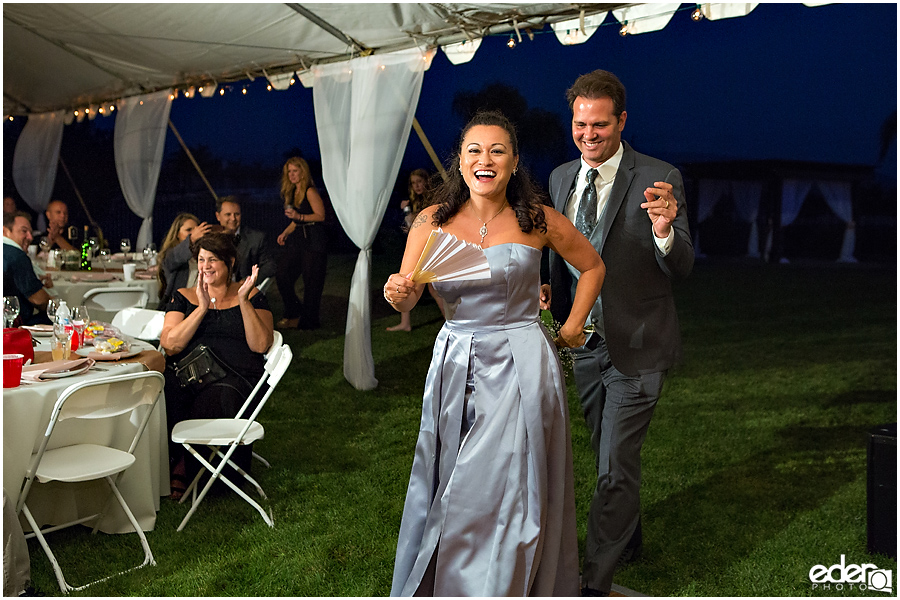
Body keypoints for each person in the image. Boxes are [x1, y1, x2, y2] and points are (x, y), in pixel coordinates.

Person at [385, 111, 605, 596]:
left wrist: (568, 330)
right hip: (455, 360)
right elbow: (409, 292)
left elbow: (592, 266)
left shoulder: (537, 219)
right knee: (454, 476)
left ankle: (505, 581)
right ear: (460, 163)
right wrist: (396, 292)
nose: (486, 160)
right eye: (475, 151)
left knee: (511, 482)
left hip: (523, 363)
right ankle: (453, 578)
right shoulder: (431, 221)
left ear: (514, 162)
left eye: (497, 151)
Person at [542, 70, 694, 597]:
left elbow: (683, 267)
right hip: (586, 346)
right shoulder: (561, 178)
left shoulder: (659, 176)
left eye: (600, 125)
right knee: (612, 457)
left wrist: (664, 231)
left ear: (622, 121)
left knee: (612, 468)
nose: (588, 134)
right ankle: (627, 539)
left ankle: (592, 583)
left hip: (640, 343)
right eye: (580, 124)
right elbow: (560, 257)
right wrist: (548, 296)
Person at [160, 232, 274, 499]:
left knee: (216, 397)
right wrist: (201, 308)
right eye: (201, 260)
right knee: (160, 389)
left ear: (230, 262)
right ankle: (176, 460)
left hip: (236, 378)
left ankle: (189, 469)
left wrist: (243, 301)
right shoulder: (184, 297)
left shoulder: (251, 294)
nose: (206, 266)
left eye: (213, 259)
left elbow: (260, 345)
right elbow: (170, 345)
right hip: (187, 375)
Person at [387, 169, 444, 332]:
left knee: (434, 288)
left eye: (419, 181)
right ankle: (405, 323)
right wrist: (406, 211)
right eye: (413, 183)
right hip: (417, 249)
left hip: (432, 248)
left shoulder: (434, 202)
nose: (417, 186)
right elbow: (407, 227)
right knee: (408, 284)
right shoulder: (412, 202)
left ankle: (450, 319)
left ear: (426, 181)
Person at [274, 157, 328, 330]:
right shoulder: (292, 192)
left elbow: (320, 215)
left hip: (314, 240)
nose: (291, 175)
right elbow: (295, 221)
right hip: (299, 240)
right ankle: (294, 311)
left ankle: (309, 321)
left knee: (311, 281)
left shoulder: (310, 191)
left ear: (302, 172)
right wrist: (285, 232)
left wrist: (300, 217)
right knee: (282, 273)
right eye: (288, 172)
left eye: (294, 171)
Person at [3, 212, 52, 325]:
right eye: (24, 231)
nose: (30, 237)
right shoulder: (16, 255)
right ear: (5, 231)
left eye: (31, 232)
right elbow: (39, 300)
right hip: (12, 324)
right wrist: (54, 303)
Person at [157, 212, 213, 307]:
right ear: (177, 234)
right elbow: (173, 258)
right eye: (189, 230)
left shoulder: (204, 254)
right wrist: (191, 239)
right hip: (180, 305)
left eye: (196, 229)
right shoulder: (170, 254)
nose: (194, 233)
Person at [215, 195, 276, 283]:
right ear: (218, 216)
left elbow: (270, 266)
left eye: (237, 214)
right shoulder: (211, 238)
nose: (233, 218)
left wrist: (249, 281)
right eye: (228, 214)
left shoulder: (256, 238)